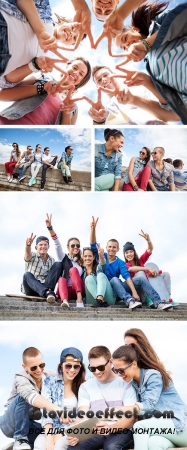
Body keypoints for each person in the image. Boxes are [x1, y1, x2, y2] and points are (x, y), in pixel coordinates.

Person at [113, 3, 187, 123]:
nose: (127, 45)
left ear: (135, 29)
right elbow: (173, 112)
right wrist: (146, 81)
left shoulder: (157, 24)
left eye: (125, 39)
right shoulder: (152, 68)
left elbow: (183, 18)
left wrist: (146, 44)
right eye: (124, 48)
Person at [112, 344, 187, 450]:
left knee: (139, 427)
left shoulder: (153, 376)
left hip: (180, 426)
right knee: (153, 443)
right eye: (115, 371)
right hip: (168, 432)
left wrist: (120, 409)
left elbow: (149, 405)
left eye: (121, 370)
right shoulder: (134, 383)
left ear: (134, 364)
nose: (119, 374)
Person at [67, 345, 136, 450]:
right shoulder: (86, 387)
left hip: (121, 430)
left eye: (100, 367)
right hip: (96, 431)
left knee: (111, 447)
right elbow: (83, 414)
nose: (97, 372)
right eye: (92, 368)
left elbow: (130, 418)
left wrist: (109, 428)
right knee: (74, 448)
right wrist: (77, 433)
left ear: (111, 362)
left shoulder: (125, 382)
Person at [0, 346, 63, 450]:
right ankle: (20, 439)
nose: (39, 370)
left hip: (29, 424)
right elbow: (32, 397)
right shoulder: (20, 378)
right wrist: (56, 409)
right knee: (23, 398)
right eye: (34, 367)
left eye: (41, 365)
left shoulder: (50, 375)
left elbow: (67, 384)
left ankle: (27, 444)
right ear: (24, 367)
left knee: (46, 432)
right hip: (10, 423)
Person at [0, 57, 91, 126]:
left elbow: (64, 133)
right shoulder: (42, 77)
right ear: (67, 66)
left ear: (81, 81)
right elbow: (3, 94)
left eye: (81, 74)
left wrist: (66, 112)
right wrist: (42, 88)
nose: (76, 73)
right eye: (75, 68)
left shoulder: (73, 108)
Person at [34, 347, 86, 450]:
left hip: (71, 430)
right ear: (61, 365)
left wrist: (62, 433)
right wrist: (49, 439)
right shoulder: (49, 382)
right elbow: (46, 411)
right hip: (50, 429)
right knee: (39, 445)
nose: (72, 370)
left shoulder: (83, 386)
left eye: (76, 367)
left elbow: (83, 416)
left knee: (60, 446)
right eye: (68, 366)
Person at [90, 218, 142, 309]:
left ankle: (129, 300)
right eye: (109, 247)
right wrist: (93, 229)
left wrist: (134, 292)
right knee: (109, 278)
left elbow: (126, 276)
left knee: (115, 279)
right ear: (106, 247)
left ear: (118, 249)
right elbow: (92, 244)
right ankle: (128, 299)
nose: (112, 249)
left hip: (114, 290)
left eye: (114, 247)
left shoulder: (120, 262)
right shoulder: (102, 255)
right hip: (102, 289)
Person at [123, 231, 176, 309]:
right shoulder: (125, 265)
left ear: (134, 252)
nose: (129, 254)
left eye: (131, 251)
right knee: (141, 273)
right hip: (139, 292)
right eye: (126, 252)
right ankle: (149, 298)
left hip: (149, 287)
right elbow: (131, 269)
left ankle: (167, 297)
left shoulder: (140, 261)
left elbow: (149, 250)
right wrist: (148, 269)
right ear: (124, 255)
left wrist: (148, 241)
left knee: (165, 274)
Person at [46, 214, 85, 308]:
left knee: (73, 270)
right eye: (73, 245)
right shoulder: (63, 258)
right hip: (64, 291)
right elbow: (57, 244)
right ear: (68, 247)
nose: (76, 247)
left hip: (78, 291)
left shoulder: (82, 261)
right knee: (61, 279)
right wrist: (50, 228)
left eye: (78, 246)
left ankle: (79, 300)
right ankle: (65, 302)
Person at [22, 234, 62, 303]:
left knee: (58, 264)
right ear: (36, 246)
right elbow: (27, 255)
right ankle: (47, 293)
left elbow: (53, 276)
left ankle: (48, 292)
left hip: (45, 286)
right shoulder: (33, 255)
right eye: (40, 245)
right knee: (26, 274)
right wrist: (28, 246)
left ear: (48, 246)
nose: (43, 247)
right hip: (32, 288)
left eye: (45, 245)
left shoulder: (52, 259)